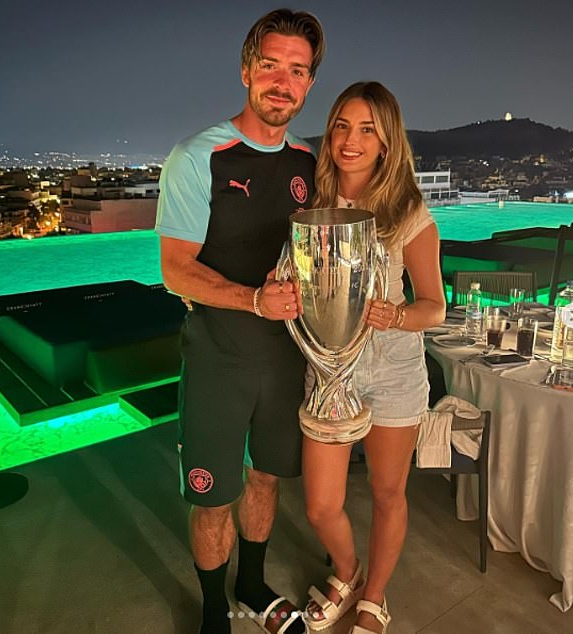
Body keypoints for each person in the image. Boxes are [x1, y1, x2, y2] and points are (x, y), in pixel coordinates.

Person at [155, 9, 325, 634]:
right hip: (218, 358)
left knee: (265, 477)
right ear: (247, 70)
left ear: (309, 83)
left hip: (286, 360)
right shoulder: (200, 156)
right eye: (271, 65)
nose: (283, 82)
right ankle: (212, 611)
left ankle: (252, 585)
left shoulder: (308, 163)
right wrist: (255, 300)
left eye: (298, 70)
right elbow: (176, 269)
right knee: (213, 494)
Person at [301, 82, 446, 634]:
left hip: (393, 369)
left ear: (387, 141)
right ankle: (348, 571)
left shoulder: (408, 213)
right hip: (331, 371)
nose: (351, 140)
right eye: (342, 125)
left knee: (388, 493)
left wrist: (397, 315)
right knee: (320, 505)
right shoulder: (313, 206)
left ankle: (374, 598)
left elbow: (435, 307)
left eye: (367, 129)